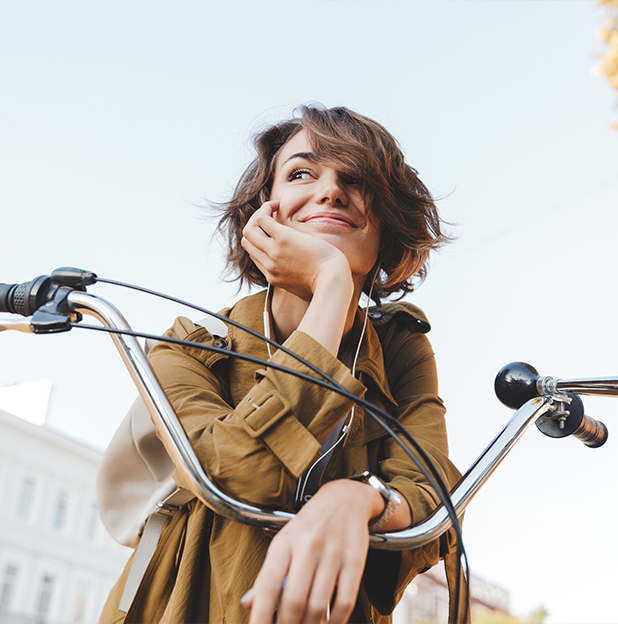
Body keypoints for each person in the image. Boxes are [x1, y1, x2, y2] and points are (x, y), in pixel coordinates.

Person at [99, 105, 461, 624]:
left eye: (355, 179)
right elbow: (239, 474)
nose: (331, 191)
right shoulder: (187, 348)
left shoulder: (400, 348)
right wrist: (332, 283)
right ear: (263, 214)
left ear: (386, 221)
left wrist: (358, 500)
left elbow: (432, 497)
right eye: (300, 174)